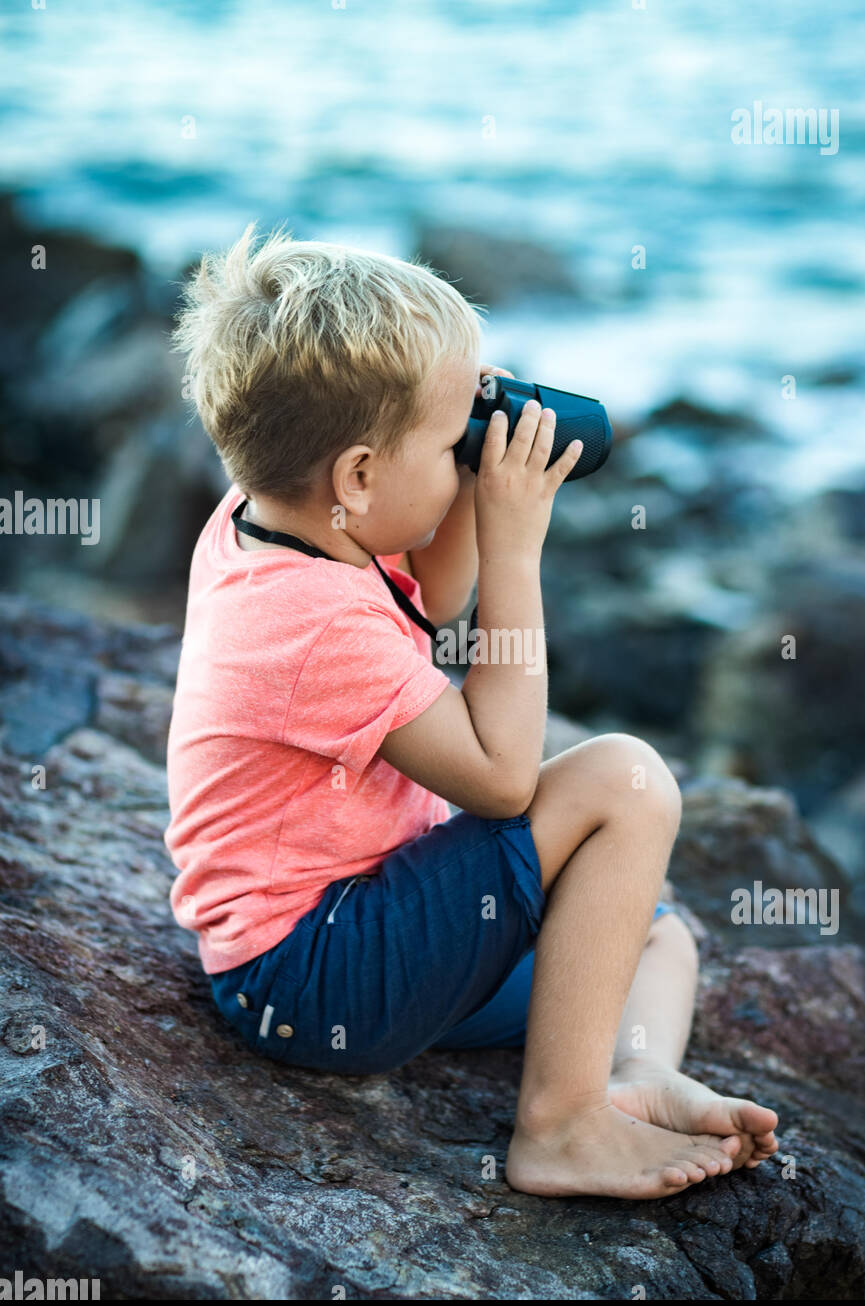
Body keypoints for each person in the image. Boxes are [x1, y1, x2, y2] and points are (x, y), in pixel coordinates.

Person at [165, 223, 779, 1198]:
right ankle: (559, 1127)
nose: (465, 454)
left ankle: (632, 1075)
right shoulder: (307, 623)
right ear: (359, 476)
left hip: (347, 937)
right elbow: (498, 778)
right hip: (312, 971)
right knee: (625, 779)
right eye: (449, 441)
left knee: (649, 933)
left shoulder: (278, 509)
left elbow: (432, 599)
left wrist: (453, 434)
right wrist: (518, 546)